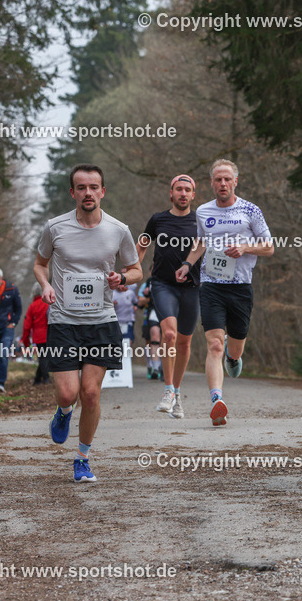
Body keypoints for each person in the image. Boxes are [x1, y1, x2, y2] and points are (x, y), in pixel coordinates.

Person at [34, 163, 142, 483]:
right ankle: (64, 412)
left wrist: (122, 277)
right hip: (64, 319)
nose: (88, 193)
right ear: (73, 193)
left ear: (103, 191)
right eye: (81, 188)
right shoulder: (55, 227)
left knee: (91, 394)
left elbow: (136, 270)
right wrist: (46, 285)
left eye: (94, 187)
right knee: (68, 394)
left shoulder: (118, 229)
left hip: (102, 320)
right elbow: (41, 264)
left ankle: (82, 457)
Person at [177, 159, 274, 426]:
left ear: (235, 182)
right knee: (215, 343)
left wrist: (244, 247)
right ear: (212, 183)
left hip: (241, 286)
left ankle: (235, 357)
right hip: (211, 284)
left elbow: (269, 246)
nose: (222, 184)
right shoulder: (203, 211)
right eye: (218, 179)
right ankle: (216, 400)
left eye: (227, 179)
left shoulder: (250, 210)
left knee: (233, 346)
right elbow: (200, 242)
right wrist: (188, 264)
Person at [137, 175, 201, 419]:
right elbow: (143, 244)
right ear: (171, 193)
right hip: (163, 284)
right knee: (170, 334)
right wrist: (132, 269)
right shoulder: (158, 219)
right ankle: (167, 390)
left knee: (184, 342)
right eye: (179, 189)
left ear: (193, 195)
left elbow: (208, 245)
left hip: (192, 287)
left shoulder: (200, 220)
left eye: (187, 190)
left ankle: (177, 390)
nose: (183, 193)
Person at [20, 283, 51, 385]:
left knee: (43, 357)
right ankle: (43, 379)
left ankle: (39, 379)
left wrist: (25, 341)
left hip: (38, 336)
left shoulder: (32, 306)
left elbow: (26, 326)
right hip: (50, 334)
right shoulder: (49, 304)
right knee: (44, 357)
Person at [137, 280, 162, 379]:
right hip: (149, 315)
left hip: (165, 314)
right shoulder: (146, 284)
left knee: (164, 339)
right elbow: (140, 302)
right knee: (150, 341)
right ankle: (151, 366)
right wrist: (149, 296)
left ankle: (160, 367)